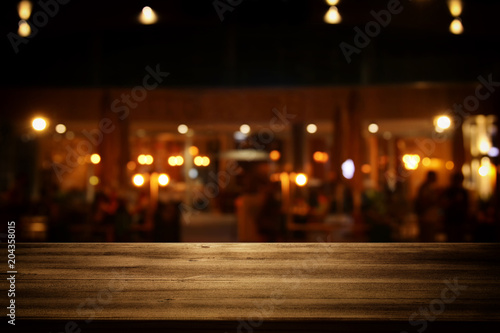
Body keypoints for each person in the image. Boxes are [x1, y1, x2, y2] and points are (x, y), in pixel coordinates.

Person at [415, 171, 441, 242]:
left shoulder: (431, 187)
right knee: (427, 238)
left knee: (429, 237)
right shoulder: (426, 188)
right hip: (426, 217)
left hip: (430, 217)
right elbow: (424, 202)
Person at [442, 172, 469, 242]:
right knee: (451, 240)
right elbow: (444, 204)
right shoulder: (449, 191)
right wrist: (454, 200)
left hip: (461, 220)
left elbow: (466, 206)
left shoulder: (463, 192)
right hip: (450, 220)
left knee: (460, 240)